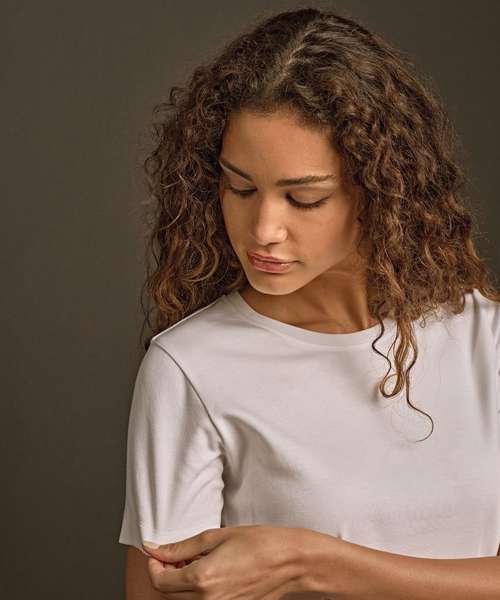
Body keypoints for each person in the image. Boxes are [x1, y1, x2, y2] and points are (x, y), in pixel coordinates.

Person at [118, 6, 500, 599]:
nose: (263, 230)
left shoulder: (485, 338)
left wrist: (308, 561)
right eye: (240, 187)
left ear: (381, 191)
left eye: (304, 199)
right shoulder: (189, 367)